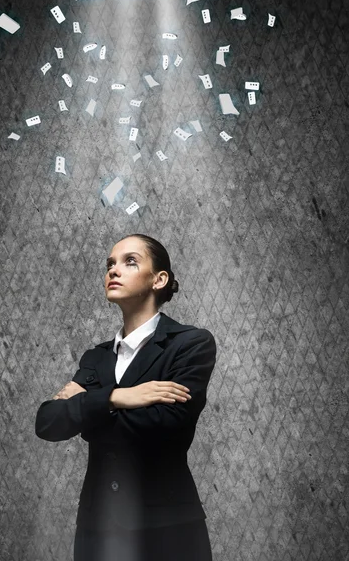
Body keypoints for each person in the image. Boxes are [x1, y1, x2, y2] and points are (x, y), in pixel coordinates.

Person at [35, 234, 217, 561]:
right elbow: (48, 422)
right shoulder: (97, 357)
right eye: (110, 264)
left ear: (159, 279)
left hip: (167, 529)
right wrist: (120, 397)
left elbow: (165, 426)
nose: (113, 271)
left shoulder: (190, 344)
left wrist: (87, 408)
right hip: (98, 529)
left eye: (129, 261)